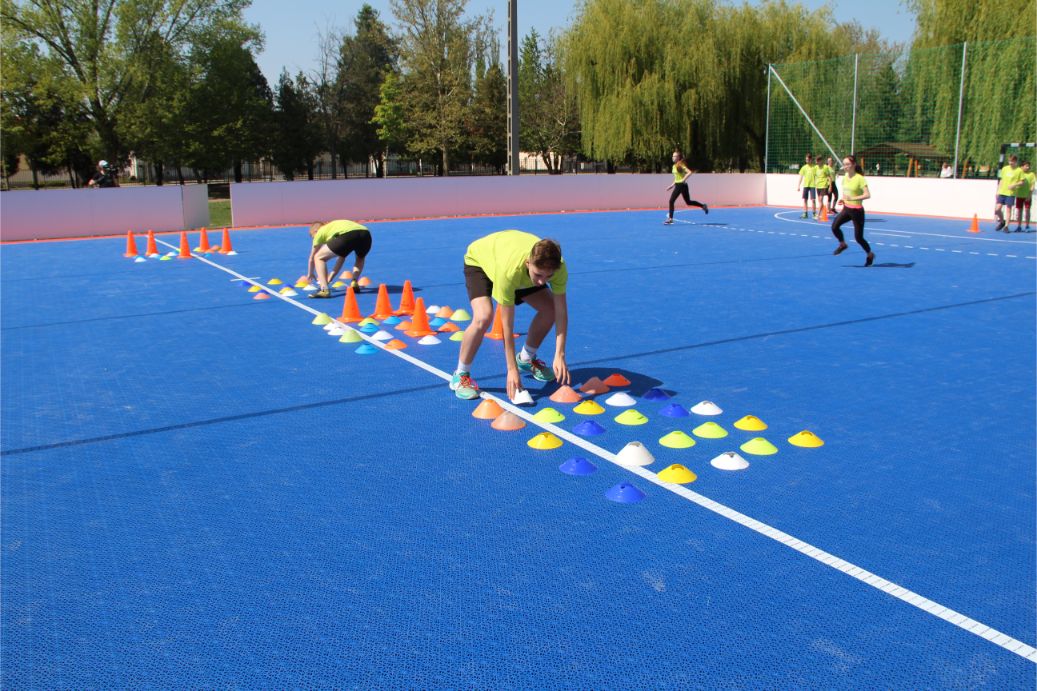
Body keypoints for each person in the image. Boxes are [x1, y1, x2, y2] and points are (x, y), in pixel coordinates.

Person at [450, 230, 570, 402]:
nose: (542, 282)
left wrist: (560, 354)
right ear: (528, 263)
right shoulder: (509, 272)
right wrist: (511, 370)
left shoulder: (558, 268)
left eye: (548, 276)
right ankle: (460, 375)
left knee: (550, 309)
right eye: (538, 274)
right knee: (484, 317)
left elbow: (561, 311)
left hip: (515, 269)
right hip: (480, 262)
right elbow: (507, 327)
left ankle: (526, 359)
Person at [305, 220, 371, 298]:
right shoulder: (333, 230)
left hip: (348, 235)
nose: (315, 241)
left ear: (315, 231)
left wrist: (310, 273)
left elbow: (312, 257)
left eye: (313, 237)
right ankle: (354, 281)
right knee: (360, 258)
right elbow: (341, 258)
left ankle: (324, 290)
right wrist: (330, 278)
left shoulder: (320, 232)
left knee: (318, 257)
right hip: (366, 234)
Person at [831, 155, 875, 267]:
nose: (845, 166)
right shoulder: (845, 177)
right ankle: (843, 244)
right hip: (847, 209)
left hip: (857, 211)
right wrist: (843, 199)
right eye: (844, 164)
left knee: (858, 238)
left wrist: (852, 198)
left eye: (848, 164)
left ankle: (870, 254)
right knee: (834, 227)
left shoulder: (860, 178)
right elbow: (846, 192)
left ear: (854, 164)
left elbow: (867, 195)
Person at [662, 150, 708, 224]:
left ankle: (670, 219)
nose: (673, 157)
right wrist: (672, 185)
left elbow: (689, 172)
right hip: (680, 185)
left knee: (671, 201)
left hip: (681, 185)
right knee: (688, 202)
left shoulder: (680, 165)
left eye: (674, 156)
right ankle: (703, 206)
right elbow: (677, 177)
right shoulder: (674, 166)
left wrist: (683, 180)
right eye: (672, 156)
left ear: (678, 157)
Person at [994, 155, 1023, 232]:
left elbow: (1022, 182)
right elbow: (1001, 180)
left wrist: (1014, 185)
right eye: (1009, 161)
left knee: (1008, 209)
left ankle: (1006, 226)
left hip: (1010, 193)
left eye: (1012, 161)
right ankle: (1002, 222)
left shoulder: (1019, 170)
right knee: (997, 209)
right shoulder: (1005, 168)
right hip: (1002, 192)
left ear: (1015, 161)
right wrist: (998, 191)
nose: (1010, 163)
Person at [1013, 160, 1034, 232]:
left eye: (1028, 166)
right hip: (1019, 195)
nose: (1028, 167)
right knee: (1019, 211)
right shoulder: (1018, 173)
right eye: (1026, 166)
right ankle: (1019, 226)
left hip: (1027, 196)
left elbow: (1032, 186)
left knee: (1027, 210)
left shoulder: (1031, 174)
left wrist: (1029, 195)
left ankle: (1027, 226)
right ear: (1022, 166)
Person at [796, 153, 817, 218]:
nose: (806, 161)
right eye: (806, 160)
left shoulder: (815, 167)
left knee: (813, 200)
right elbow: (801, 177)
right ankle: (805, 213)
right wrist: (798, 185)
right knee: (805, 200)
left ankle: (814, 214)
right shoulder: (804, 167)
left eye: (808, 160)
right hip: (806, 185)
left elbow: (818, 175)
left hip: (812, 185)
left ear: (811, 159)